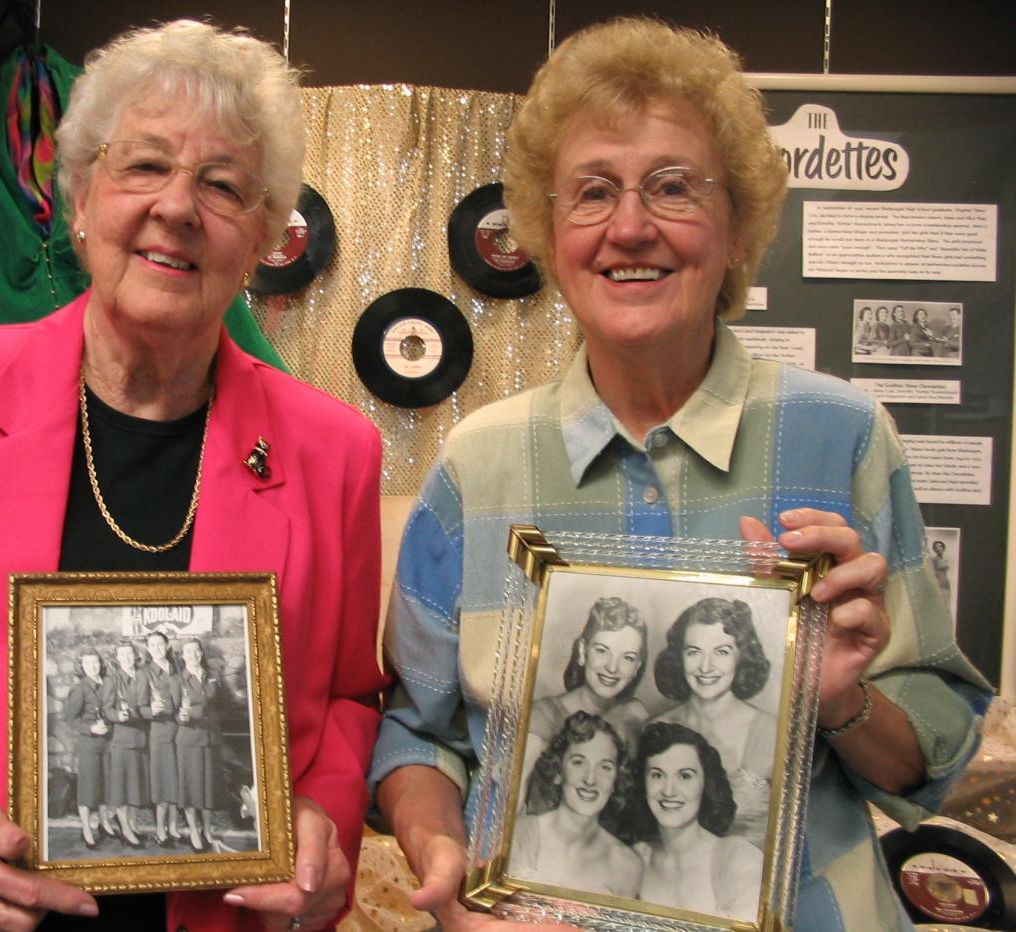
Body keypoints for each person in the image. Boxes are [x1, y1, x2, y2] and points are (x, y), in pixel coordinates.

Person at [370, 16, 990, 932]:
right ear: (547, 229)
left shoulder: (846, 437)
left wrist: (840, 697)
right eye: (591, 192)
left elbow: (927, 763)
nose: (630, 225)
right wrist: (442, 855)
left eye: (672, 187)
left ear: (739, 226)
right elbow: (417, 735)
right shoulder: (477, 465)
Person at [0, 19, 386, 932]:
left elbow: (345, 697)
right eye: (143, 166)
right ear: (81, 196)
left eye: (222, 185)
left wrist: (322, 823)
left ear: (262, 234)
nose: (177, 206)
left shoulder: (334, 452)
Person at [650, 598, 776, 848]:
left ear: (741, 656)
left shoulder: (772, 733)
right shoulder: (653, 729)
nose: (705, 667)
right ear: (679, 656)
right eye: (694, 652)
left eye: (721, 652)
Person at [626, 722, 763, 922]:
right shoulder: (637, 858)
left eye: (685, 776)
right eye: (657, 775)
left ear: (706, 784)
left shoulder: (737, 859)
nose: (669, 791)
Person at [507, 712, 641, 898]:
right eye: (579, 762)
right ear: (559, 769)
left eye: (605, 767)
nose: (590, 779)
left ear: (616, 780)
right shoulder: (518, 836)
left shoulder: (627, 865)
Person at [525, 596, 649, 773]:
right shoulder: (544, 717)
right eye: (602, 650)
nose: (612, 667)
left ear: (637, 666)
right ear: (583, 651)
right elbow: (516, 796)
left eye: (627, 658)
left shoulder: (634, 715)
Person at [62, 648, 118, 850]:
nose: (92, 667)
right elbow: (69, 719)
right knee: (87, 789)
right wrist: (90, 728)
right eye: (88, 664)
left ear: (101, 665)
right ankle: (86, 830)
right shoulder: (80, 688)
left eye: (96, 663)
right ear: (81, 667)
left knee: (104, 785)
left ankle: (105, 824)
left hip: (107, 743)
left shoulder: (107, 684)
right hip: (89, 745)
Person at [174, 636, 225, 851]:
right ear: (183, 656)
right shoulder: (177, 680)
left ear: (201, 653)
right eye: (188, 652)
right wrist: (185, 716)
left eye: (196, 651)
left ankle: (207, 828)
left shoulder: (213, 677)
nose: (193, 655)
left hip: (210, 739)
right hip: (189, 740)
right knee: (191, 787)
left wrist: (213, 719)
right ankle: (194, 830)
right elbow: (173, 712)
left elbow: (223, 706)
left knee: (208, 787)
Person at [104, 641, 151, 849]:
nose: (126, 658)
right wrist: (117, 716)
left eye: (129, 654)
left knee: (135, 787)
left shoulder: (143, 676)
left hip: (141, 739)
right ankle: (125, 828)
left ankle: (132, 823)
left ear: (136, 656)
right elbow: (106, 709)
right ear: (116, 658)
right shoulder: (112, 680)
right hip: (121, 741)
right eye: (121, 655)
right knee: (122, 789)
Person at [142, 630, 183, 847]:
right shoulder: (145, 673)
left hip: (180, 730)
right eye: (152, 645)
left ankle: (174, 826)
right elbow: (139, 707)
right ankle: (160, 829)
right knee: (162, 782)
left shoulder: (177, 670)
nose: (157, 648)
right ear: (148, 649)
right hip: (159, 732)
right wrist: (150, 709)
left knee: (177, 780)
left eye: (160, 644)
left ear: (167, 646)